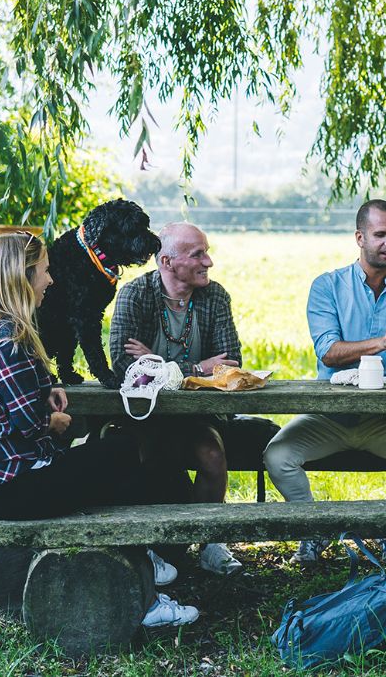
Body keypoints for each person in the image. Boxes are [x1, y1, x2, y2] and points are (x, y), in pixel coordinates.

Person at [0, 232, 198, 628]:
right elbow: (29, 425)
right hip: (4, 486)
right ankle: (146, 591)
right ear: (22, 275)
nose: (51, 280)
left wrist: (46, 385)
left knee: (112, 467)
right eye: (45, 271)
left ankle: (144, 574)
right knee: (119, 455)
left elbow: (14, 396)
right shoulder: (8, 338)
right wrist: (54, 421)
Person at [263, 199, 386, 565]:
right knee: (277, 456)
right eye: (380, 234)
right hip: (328, 415)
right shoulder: (327, 287)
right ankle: (312, 530)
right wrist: (382, 342)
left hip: (382, 418)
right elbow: (328, 352)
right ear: (360, 237)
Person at [110, 221, 271, 575]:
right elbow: (124, 364)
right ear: (167, 262)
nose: (209, 261)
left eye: (207, 251)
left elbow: (230, 362)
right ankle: (156, 549)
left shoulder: (215, 297)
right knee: (150, 456)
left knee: (212, 455)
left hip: (200, 413)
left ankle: (210, 542)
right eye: (198, 254)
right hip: (144, 414)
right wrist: (196, 367)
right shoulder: (135, 295)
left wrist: (157, 361)